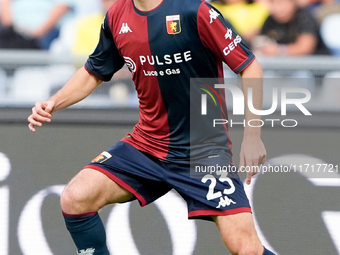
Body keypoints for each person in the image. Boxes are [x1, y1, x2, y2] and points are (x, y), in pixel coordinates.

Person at [27, 0, 275, 254]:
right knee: (75, 198)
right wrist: (53, 102)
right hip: (146, 145)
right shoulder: (117, 15)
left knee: (247, 250)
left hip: (203, 151)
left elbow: (249, 66)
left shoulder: (195, 10)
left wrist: (252, 136)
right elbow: (94, 71)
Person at [252, 0, 331, 55]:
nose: (278, 8)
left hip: (313, 67)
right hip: (282, 68)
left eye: (281, 3)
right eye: (273, 3)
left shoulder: (305, 17)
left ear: (293, 3)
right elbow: (261, 41)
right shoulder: (270, 19)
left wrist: (279, 51)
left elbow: (306, 48)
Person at [0, 0, 74, 49]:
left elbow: (64, 5)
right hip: (13, 30)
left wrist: (36, 34)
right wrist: (10, 27)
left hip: (47, 32)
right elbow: (5, 7)